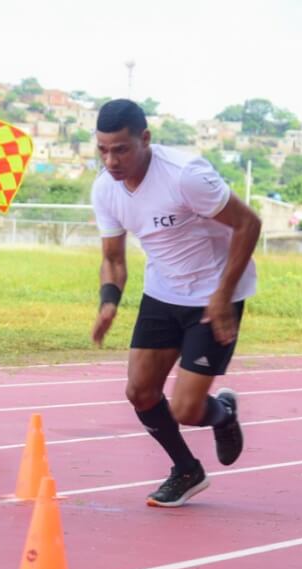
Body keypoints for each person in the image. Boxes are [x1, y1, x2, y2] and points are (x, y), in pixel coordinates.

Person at [90, 99, 261, 507]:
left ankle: (222, 414)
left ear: (144, 139)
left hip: (214, 295)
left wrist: (221, 296)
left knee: (186, 408)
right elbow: (113, 259)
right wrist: (109, 302)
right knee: (140, 392)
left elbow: (248, 223)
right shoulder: (105, 189)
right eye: (102, 150)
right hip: (163, 292)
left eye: (121, 149)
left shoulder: (186, 176)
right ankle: (186, 470)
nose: (111, 161)